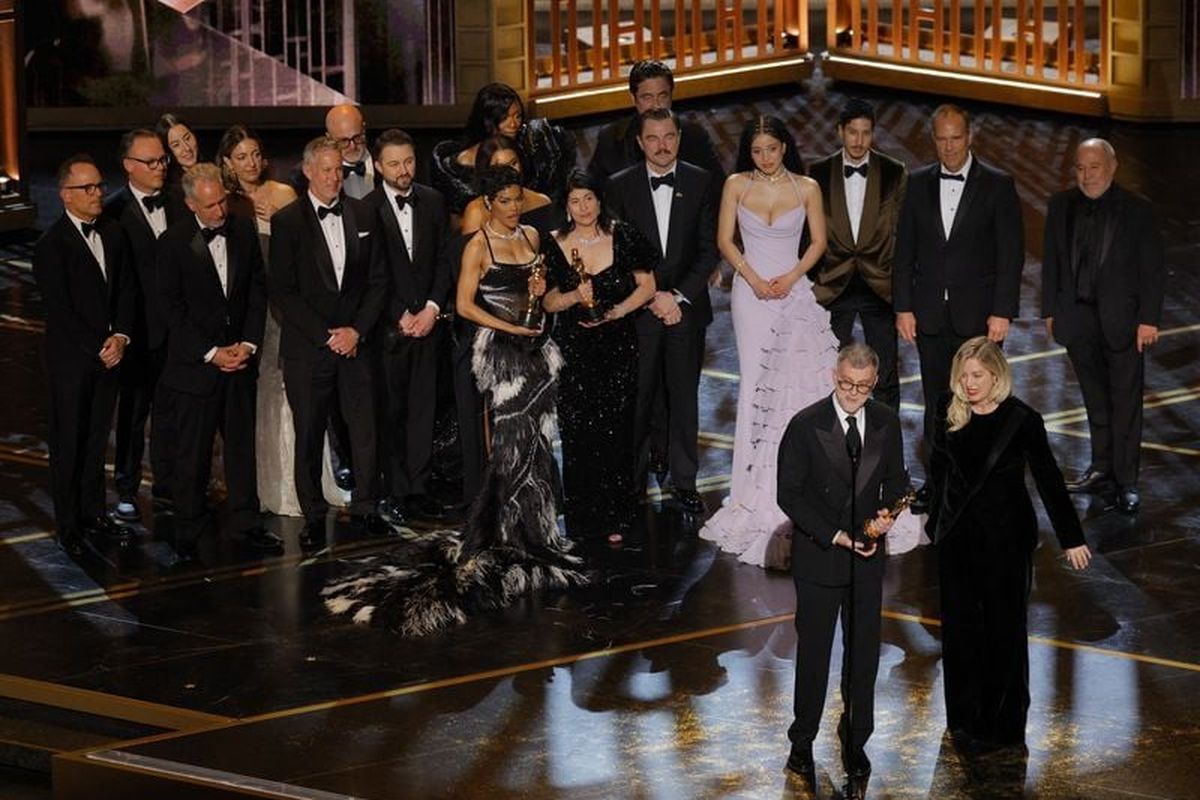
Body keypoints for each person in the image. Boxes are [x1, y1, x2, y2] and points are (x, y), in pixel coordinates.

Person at [322, 165, 586, 635]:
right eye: (503, 200)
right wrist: (510, 329)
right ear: (488, 203)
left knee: (537, 445)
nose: (512, 208)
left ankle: (537, 532)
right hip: (501, 353)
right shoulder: (477, 245)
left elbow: (545, 303)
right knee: (509, 444)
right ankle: (503, 534)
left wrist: (557, 297)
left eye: (516, 199)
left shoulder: (532, 237)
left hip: (538, 352)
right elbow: (464, 305)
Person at [926, 337, 1091, 752]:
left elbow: (1049, 479)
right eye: (963, 376)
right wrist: (931, 525)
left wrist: (1071, 537)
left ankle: (1002, 725)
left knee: (1004, 633)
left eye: (978, 375)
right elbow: (939, 475)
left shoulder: (1022, 420)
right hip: (957, 542)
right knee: (960, 633)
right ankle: (963, 719)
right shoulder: (946, 411)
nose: (970, 384)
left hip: (1006, 542)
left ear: (996, 374)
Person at [699, 115, 838, 567]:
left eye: (772, 149)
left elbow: (817, 243)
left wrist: (791, 278)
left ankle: (809, 484)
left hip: (792, 292)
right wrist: (755, 279)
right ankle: (750, 489)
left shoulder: (807, 188)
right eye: (757, 150)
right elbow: (724, 240)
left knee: (803, 388)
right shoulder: (736, 185)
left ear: (785, 147)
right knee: (757, 387)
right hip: (751, 295)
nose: (764, 158)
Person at [776, 343, 907, 795]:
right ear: (835, 376)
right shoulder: (806, 424)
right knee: (814, 656)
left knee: (863, 657)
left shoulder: (887, 422)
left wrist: (888, 513)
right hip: (821, 558)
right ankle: (802, 741)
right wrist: (835, 534)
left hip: (867, 561)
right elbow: (789, 494)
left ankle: (855, 740)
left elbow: (898, 480)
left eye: (863, 387)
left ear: (873, 383)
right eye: (847, 384)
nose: (853, 393)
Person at [893, 104, 1023, 506]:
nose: (949, 148)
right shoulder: (916, 183)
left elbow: (1011, 254)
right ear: (933, 139)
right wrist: (903, 307)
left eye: (956, 138)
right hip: (930, 314)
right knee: (937, 401)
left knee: (981, 401)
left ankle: (980, 483)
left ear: (970, 137)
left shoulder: (998, 185)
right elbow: (905, 250)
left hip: (980, 316)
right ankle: (938, 483)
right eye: (942, 139)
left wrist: (1002, 311)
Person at [269, 136, 390, 547]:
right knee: (309, 432)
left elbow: (378, 282)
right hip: (310, 349)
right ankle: (313, 516)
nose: (334, 177)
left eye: (338, 169)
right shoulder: (287, 222)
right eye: (326, 170)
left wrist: (356, 331)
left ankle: (367, 507)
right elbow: (283, 293)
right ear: (307, 171)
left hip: (357, 343)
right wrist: (327, 337)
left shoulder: (362, 211)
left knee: (365, 429)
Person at [156, 164, 278, 560]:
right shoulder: (173, 242)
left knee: (241, 449)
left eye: (222, 202)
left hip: (239, 361)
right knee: (193, 453)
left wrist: (247, 344)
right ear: (191, 203)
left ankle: (246, 522)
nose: (220, 212)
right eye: (210, 206)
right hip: (197, 368)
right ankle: (188, 530)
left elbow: (257, 292)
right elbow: (170, 311)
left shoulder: (242, 230)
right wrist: (210, 353)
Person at [1042, 139, 1165, 514]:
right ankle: (1100, 468)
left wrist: (1149, 319)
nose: (1086, 174)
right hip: (1077, 318)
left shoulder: (1138, 211)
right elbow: (1051, 263)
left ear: (1112, 168)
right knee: (1094, 400)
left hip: (1123, 322)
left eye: (1094, 167)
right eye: (1080, 167)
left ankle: (1126, 480)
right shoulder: (1060, 205)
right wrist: (1050, 310)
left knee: (1125, 403)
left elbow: (1152, 269)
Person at [606, 108, 719, 516]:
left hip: (685, 310)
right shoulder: (619, 186)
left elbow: (709, 249)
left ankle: (684, 483)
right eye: (652, 138)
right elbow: (618, 251)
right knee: (637, 400)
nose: (662, 145)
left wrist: (678, 296)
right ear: (640, 142)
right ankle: (632, 485)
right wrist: (653, 296)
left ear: (678, 138)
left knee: (685, 399)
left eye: (669, 136)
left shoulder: (700, 180)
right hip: (640, 309)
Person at [542, 170, 658, 546]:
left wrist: (619, 311)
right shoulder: (554, 243)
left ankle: (617, 515)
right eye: (575, 201)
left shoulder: (622, 235)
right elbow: (548, 301)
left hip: (617, 347)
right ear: (566, 206)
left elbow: (648, 286)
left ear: (599, 200)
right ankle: (582, 519)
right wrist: (576, 297)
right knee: (577, 434)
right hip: (574, 351)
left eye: (589, 198)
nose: (583, 207)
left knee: (617, 432)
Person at [34, 154, 136, 555]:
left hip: (110, 356)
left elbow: (127, 290)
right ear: (65, 196)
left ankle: (95, 514)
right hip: (72, 363)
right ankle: (69, 525)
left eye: (99, 186)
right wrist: (101, 347)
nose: (98, 194)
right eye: (88, 188)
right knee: (69, 443)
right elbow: (62, 311)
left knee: (96, 442)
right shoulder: (50, 246)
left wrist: (122, 338)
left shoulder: (113, 232)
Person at [365, 128, 453, 523]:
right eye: (395, 164)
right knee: (391, 413)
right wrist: (398, 313)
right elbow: (370, 274)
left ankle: (418, 489)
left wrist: (432, 308)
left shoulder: (434, 201)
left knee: (424, 410)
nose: (404, 170)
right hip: (388, 331)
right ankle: (395, 489)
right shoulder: (364, 209)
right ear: (378, 165)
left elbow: (444, 262)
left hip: (429, 325)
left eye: (409, 161)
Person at [104, 129, 186, 521]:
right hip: (136, 333)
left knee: (172, 413)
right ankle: (126, 486)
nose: (160, 167)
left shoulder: (179, 201)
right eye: (151, 162)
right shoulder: (113, 213)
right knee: (133, 416)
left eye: (162, 160)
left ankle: (169, 485)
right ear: (128, 166)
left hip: (178, 331)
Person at [808, 98, 908, 411]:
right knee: (826, 372)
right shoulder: (819, 173)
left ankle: (889, 455)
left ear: (873, 134)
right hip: (833, 284)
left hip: (879, 285)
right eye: (853, 132)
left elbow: (902, 234)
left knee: (886, 376)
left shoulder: (894, 172)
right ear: (840, 132)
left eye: (866, 133)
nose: (859, 140)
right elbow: (808, 232)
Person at [431, 82, 575, 221]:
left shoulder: (534, 141)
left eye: (517, 116)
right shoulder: (459, 166)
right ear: (487, 120)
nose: (513, 124)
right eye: (505, 117)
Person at [587, 59, 724, 186]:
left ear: (671, 96)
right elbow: (590, 191)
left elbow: (718, 190)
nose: (656, 106)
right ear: (633, 99)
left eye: (662, 96)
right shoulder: (611, 139)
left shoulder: (695, 136)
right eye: (647, 98)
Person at [459, 135, 556, 236]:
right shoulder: (476, 211)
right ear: (485, 171)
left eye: (513, 163)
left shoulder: (542, 202)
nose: (509, 172)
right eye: (500, 166)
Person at [155, 113, 201, 185]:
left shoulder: (214, 170)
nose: (187, 148)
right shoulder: (168, 186)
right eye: (176, 145)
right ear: (167, 151)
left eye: (187, 138)